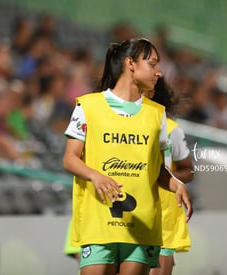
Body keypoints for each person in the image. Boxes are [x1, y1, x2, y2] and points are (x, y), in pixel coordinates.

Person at [63, 38, 193, 275]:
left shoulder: (158, 115)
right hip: (99, 222)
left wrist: (175, 183)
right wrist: (96, 176)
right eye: (152, 64)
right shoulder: (87, 106)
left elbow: (156, 169)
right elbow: (70, 158)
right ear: (130, 63)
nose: (158, 71)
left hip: (142, 225)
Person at [143, 77, 193, 275]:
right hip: (131, 212)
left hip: (164, 217)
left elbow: (188, 169)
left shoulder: (172, 130)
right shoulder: (117, 125)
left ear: (152, 93)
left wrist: (169, 179)